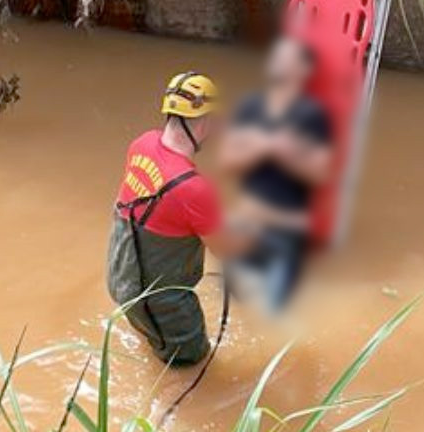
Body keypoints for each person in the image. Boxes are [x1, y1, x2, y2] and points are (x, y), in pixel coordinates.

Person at [106, 72, 238, 365]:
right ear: (206, 120)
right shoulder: (193, 189)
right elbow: (226, 249)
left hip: (120, 279)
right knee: (192, 368)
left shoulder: (141, 144)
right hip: (161, 305)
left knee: (154, 346)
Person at [219, 37, 333, 312]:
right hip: (246, 221)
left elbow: (320, 174)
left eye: (288, 59)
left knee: (273, 314)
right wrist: (264, 147)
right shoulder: (251, 106)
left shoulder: (313, 115)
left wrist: (287, 154)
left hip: (286, 228)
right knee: (231, 305)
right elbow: (227, 162)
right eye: (277, 56)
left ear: (304, 70)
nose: (279, 63)